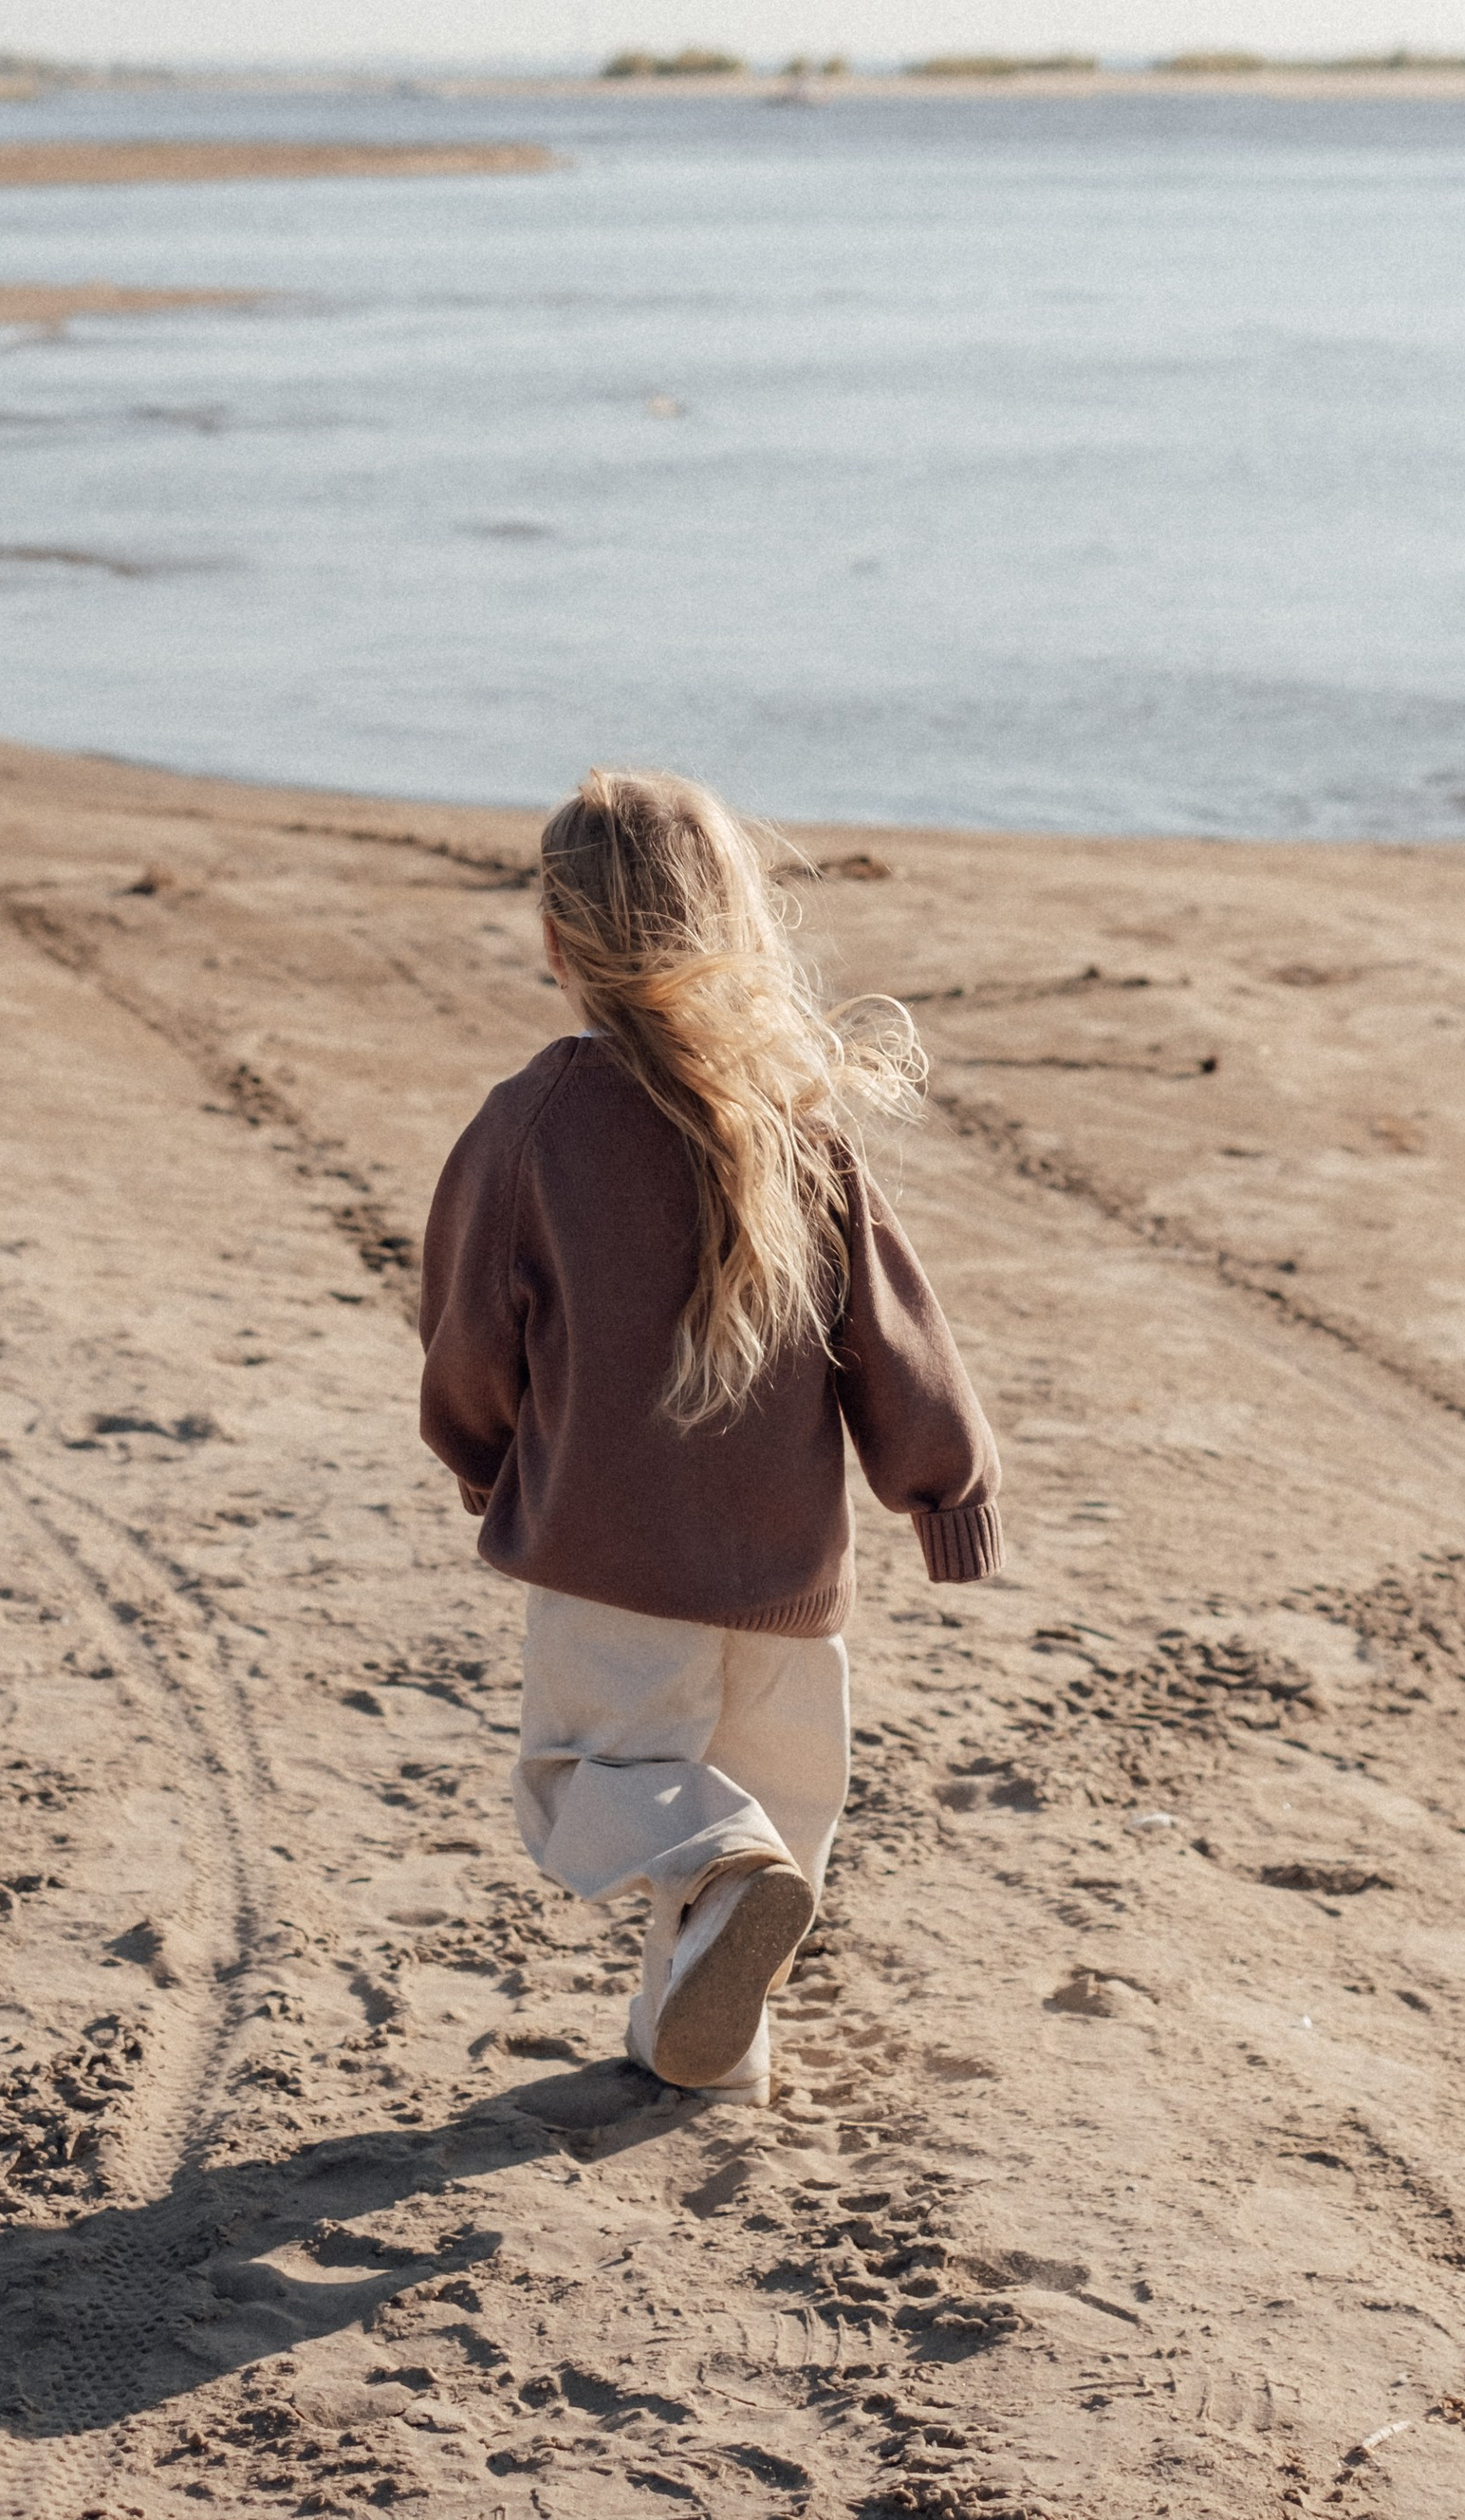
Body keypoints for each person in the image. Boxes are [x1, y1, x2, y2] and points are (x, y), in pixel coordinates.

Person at [417, 767, 1002, 2101]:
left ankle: (720, 1883)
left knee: (598, 1782)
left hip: (613, 1556)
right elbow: (899, 1333)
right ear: (733, 924)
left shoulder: (541, 1119)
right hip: (792, 1581)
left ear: (555, 941)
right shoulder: (795, 1125)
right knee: (775, 1823)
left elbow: (470, 1327)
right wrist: (945, 1494)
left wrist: (483, 1459)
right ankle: (711, 2051)